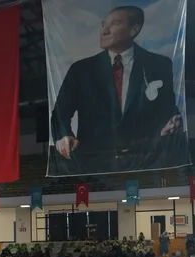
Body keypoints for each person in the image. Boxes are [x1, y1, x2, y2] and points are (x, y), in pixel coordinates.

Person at [50, 6, 186, 176]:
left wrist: (173, 121)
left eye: (114, 24)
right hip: (93, 165)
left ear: (134, 29)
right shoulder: (81, 70)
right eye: (103, 24)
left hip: (145, 161)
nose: (104, 31)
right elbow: (60, 112)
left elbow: (167, 108)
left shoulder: (159, 65)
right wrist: (64, 135)